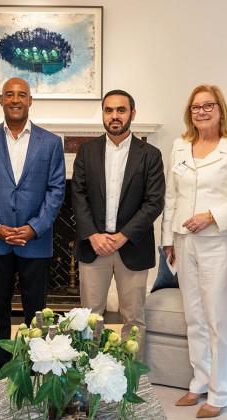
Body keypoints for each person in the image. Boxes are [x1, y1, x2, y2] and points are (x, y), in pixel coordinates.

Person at [161, 84, 227, 418]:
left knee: (217, 318)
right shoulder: (179, 146)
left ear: (221, 110)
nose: (202, 111)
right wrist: (168, 240)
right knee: (194, 316)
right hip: (184, 241)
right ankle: (199, 381)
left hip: (219, 240)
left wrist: (211, 216)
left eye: (209, 106)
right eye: (195, 107)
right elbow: (172, 197)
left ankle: (220, 392)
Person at [0, 77, 65, 375]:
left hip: (34, 240)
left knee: (36, 314)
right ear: (0, 100)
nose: (15, 99)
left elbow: (57, 189)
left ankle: (35, 370)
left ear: (30, 100)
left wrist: (34, 227)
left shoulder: (50, 142)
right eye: (9, 94)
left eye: (21, 94)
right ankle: (2, 372)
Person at [71, 89, 165, 349]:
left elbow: (154, 202)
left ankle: (132, 381)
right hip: (94, 247)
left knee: (134, 319)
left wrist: (123, 236)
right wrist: (93, 235)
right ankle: (89, 380)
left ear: (132, 114)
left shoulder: (150, 155)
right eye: (109, 110)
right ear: (103, 114)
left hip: (132, 247)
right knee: (88, 319)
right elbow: (78, 196)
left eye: (121, 110)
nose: (114, 116)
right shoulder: (86, 152)